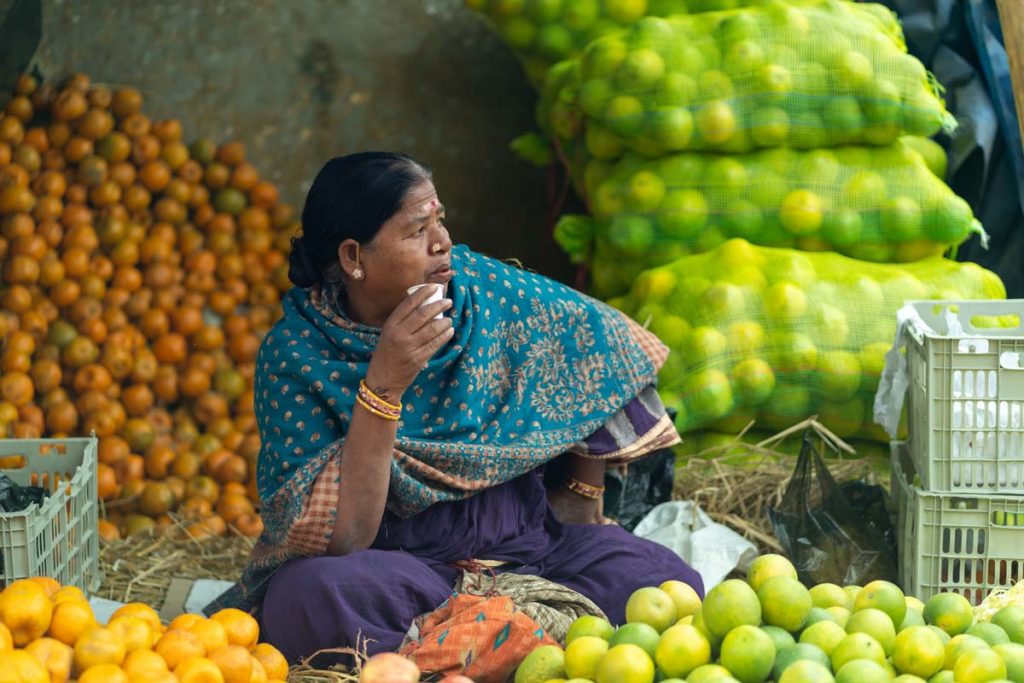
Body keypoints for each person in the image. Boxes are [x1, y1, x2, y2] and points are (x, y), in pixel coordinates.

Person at [231, 151, 703, 663]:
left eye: (441, 220)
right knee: (311, 595)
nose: (443, 242)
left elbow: (593, 343)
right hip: (407, 572)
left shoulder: (481, 289)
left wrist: (581, 492)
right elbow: (345, 540)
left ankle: (464, 652)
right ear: (353, 257)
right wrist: (384, 385)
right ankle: (526, 649)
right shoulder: (297, 355)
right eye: (417, 231)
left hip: (534, 555)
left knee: (667, 583)